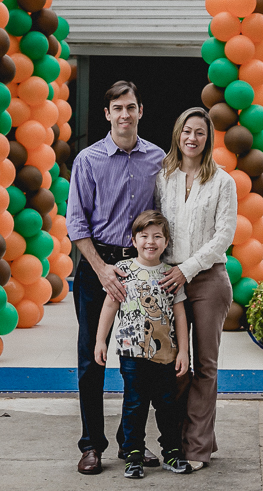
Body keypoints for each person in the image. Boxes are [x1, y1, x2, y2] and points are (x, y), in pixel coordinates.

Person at [67, 81, 166, 476]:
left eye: (131, 107)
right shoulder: (88, 161)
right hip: (98, 269)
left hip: (142, 272)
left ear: (141, 110)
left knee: (138, 362)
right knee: (93, 359)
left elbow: (163, 217)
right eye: (117, 108)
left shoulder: (158, 159)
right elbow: (77, 225)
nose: (124, 114)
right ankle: (91, 445)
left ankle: (132, 445)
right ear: (107, 114)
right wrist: (102, 269)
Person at [155, 107, 237, 471]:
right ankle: (179, 441)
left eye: (200, 133)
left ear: (208, 138)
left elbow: (223, 237)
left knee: (204, 366)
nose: (192, 138)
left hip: (207, 280)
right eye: (186, 131)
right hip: (167, 280)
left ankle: (197, 448)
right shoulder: (163, 176)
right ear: (178, 134)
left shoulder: (223, 182)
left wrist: (188, 270)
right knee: (174, 366)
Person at [94, 210, 193, 478]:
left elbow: (181, 314)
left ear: (166, 241)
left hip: (166, 355)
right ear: (133, 240)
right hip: (132, 354)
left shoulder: (172, 274)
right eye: (144, 236)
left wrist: (184, 351)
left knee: (167, 405)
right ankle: (133, 454)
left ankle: (171, 453)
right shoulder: (123, 271)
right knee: (135, 405)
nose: (151, 242)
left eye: (157, 236)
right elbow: (110, 304)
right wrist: (100, 340)